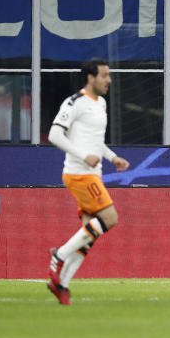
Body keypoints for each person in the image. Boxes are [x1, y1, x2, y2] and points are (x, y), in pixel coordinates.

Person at [47, 58, 131, 305]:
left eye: (109, 75)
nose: (109, 80)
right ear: (90, 77)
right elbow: (54, 134)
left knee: (89, 234)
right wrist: (83, 156)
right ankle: (59, 254)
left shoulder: (101, 103)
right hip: (78, 173)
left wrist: (112, 156)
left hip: (93, 174)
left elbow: (95, 141)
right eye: (105, 75)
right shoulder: (75, 102)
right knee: (110, 218)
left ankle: (61, 284)